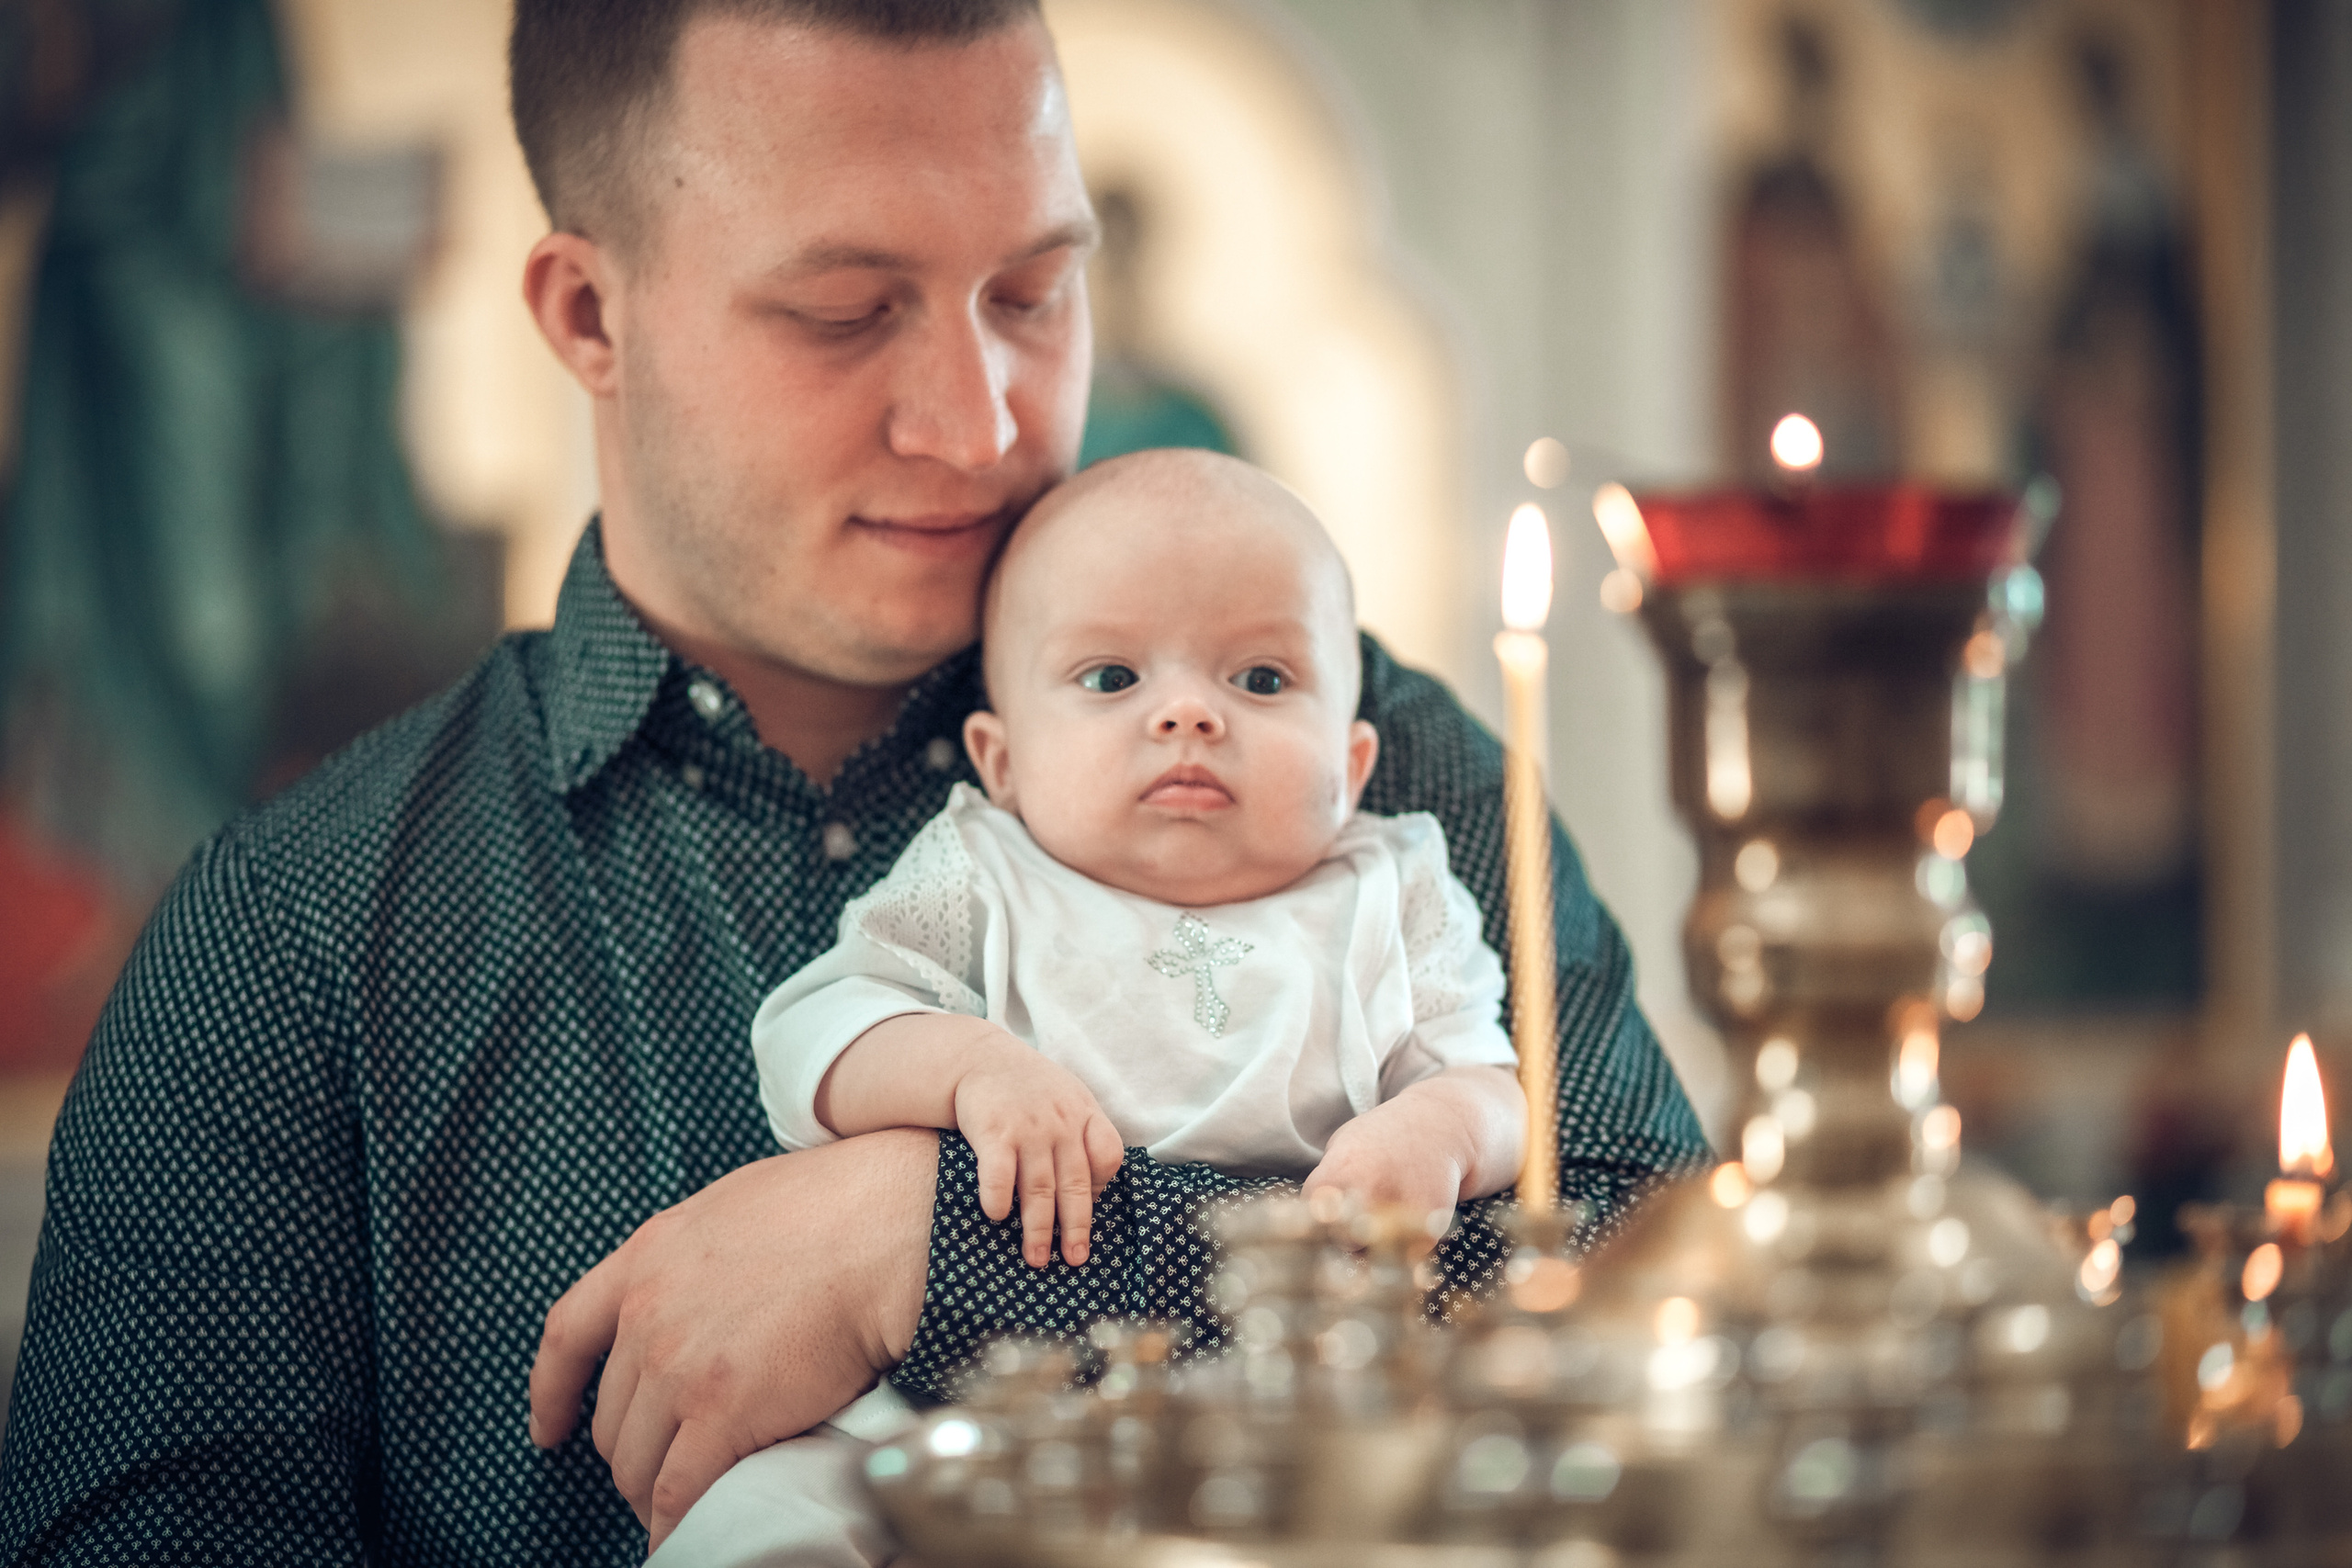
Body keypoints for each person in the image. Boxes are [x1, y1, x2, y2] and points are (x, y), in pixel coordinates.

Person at [0, 2, 1709, 1562]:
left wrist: (939, 1244)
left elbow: (1682, 1324)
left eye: (1035, 294)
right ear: (588, 314)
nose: (982, 423)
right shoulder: (297, 939)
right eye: (843, 312)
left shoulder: (1363, 765)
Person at [666, 447, 1531, 1565]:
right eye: (1113, 678)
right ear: (1004, 758)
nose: (1187, 715)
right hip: (960, 1406)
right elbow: (812, 1035)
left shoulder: (1391, 892)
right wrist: (973, 1068)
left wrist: (1439, 1132)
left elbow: (1502, 1087)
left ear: (1352, 764)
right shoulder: (982, 873)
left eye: (1260, 681)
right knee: (767, 1515)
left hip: (1284, 1425)